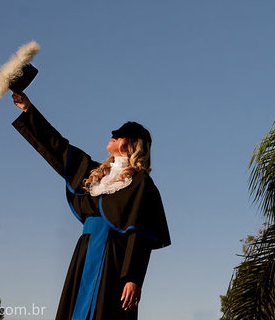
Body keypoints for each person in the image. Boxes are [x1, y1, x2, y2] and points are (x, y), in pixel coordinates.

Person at [11, 91, 171, 320]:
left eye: (119, 134)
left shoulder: (140, 183)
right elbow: (58, 147)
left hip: (114, 257)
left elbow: (140, 234)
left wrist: (133, 278)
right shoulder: (94, 172)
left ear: (130, 143)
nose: (112, 136)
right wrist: (28, 108)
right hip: (85, 252)